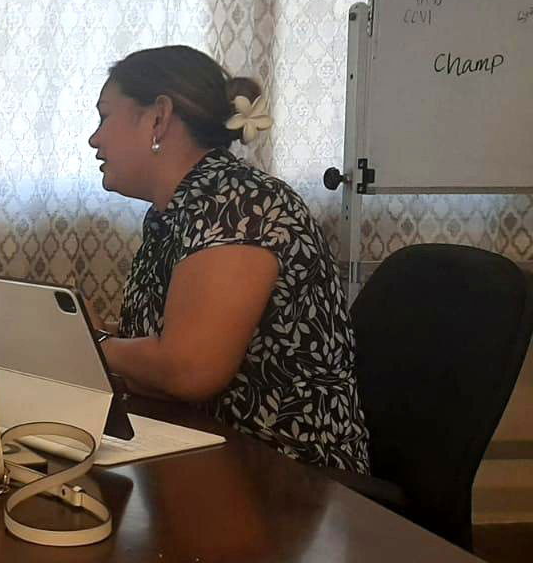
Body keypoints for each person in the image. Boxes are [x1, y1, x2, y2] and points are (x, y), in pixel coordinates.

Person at [87, 44, 370, 475]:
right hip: (210, 453)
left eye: (106, 116)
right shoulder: (176, 211)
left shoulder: (240, 204)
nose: (95, 137)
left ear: (158, 117)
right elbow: (161, 360)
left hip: (289, 483)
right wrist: (95, 337)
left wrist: (90, 345)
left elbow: (189, 368)